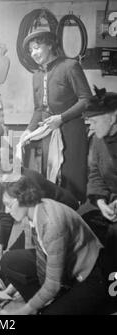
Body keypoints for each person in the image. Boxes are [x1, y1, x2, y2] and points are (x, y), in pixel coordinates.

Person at [0, 177, 107, 315]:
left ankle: (47, 304)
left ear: (22, 199)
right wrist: (9, 291)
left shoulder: (51, 225)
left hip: (90, 275)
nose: (6, 210)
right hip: (67, 266)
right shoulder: (34, 210)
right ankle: (45, 303)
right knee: (9, 261)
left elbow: (53, 285)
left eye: (9, 205)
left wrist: (21, 311)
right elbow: (42, 257)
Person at [20, 29, 92, 202]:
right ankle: (56, 220)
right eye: (31, 51)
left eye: (37, 47)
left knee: (72, 178)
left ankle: (75, 219)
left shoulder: (69, 66)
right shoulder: (36, 76)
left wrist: (61, 118)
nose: (33, 53)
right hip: (48, 133)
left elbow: (86, 100)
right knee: (50, 176)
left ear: (50, 45)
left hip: (72, 131)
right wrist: (28, 130)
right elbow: (39, 108)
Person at [0, 147, 79, 267]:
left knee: (22, 255)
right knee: (13, 254)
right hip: (43, 215)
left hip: (64, 211)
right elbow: (6, 216)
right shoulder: (8, 181)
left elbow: (34, 226)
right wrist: (0, 247)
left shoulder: (29, 179)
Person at [82, 86, 117, 275]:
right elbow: (94, 172)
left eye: (94, 121)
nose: (91, 126)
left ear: (112, 117)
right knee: (79, 221)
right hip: (108, 199)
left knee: (114, 236)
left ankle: (112, 284)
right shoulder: (97, 139)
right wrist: (101, 201)